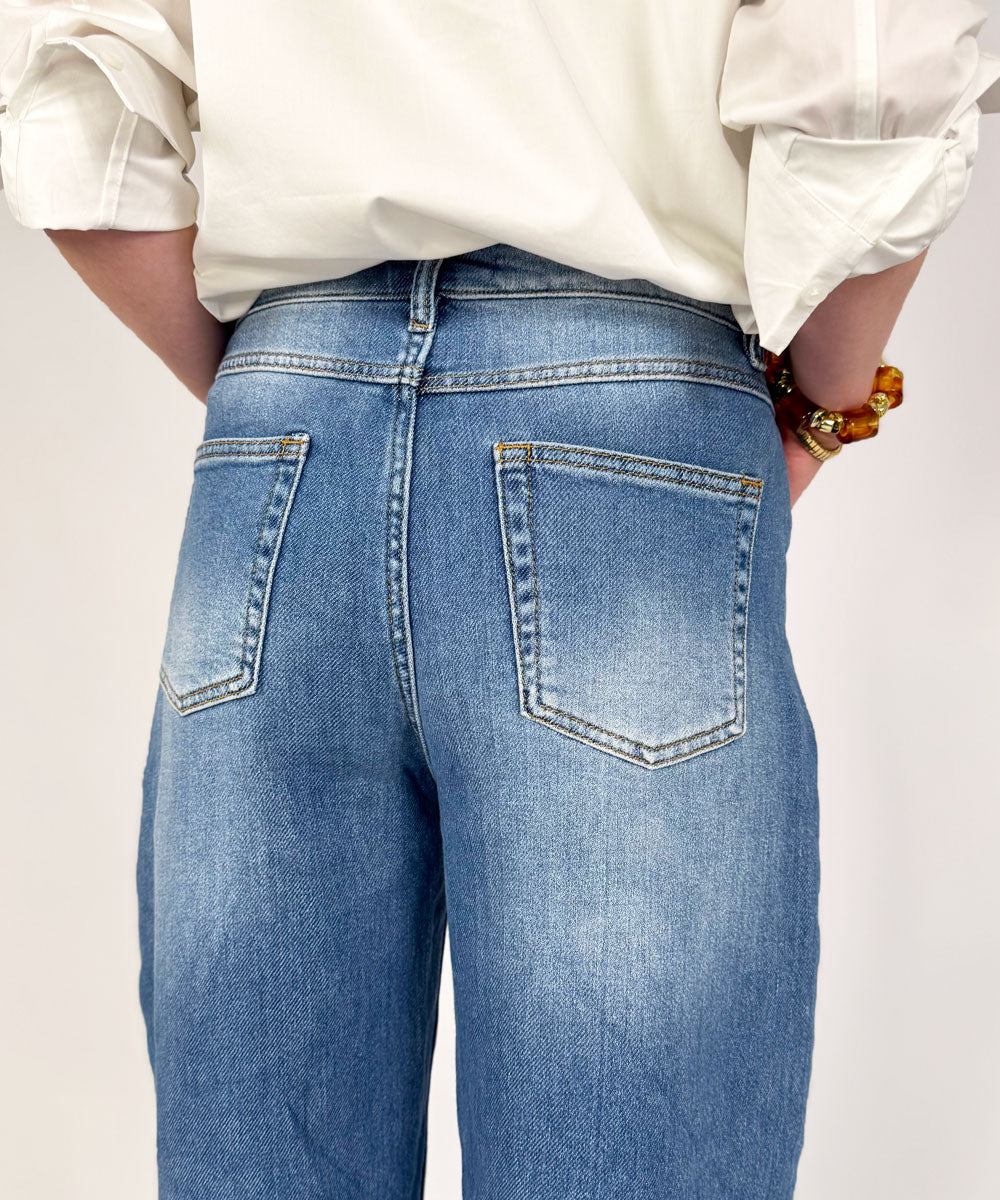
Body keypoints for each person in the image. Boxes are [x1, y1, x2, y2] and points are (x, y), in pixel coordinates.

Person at [2, 2, 997, 1197]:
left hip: (282, 427)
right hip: (621, 407)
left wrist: (293, 388)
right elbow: (872, 60)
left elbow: (77, 102)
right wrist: (829, 402)